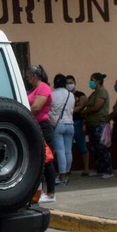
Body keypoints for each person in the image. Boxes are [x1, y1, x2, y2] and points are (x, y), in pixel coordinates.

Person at [26, 64, 56, 203]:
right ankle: (41, 191)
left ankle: (51, 193)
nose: (28, 79)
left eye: (29, 76)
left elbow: (36, 107)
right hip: (35, 126)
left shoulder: (43, 87)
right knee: (39, 159)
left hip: (42, 127)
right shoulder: (34, 89)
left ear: (35, 75)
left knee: (46, 159)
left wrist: (24, 115)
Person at [81, 72, 113, 178]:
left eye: (92, 80)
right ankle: (100, 169)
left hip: (99, 124)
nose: (90, 82)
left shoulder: (102, 92)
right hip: (92, 124)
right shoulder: (95, 93)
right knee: (95, 148)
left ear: (98, 81)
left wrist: (85, 112)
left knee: (102, 148)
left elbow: (96, 106)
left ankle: (108, 171)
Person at [49, 74, 75, 186]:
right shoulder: (71, 95)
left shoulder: (52, 95)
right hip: (70, 124)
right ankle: (67, 174)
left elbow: (48, 110)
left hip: (58, 125)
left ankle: (62, 176)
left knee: (60, 151)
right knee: (68, 151)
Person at [66, 75, 90, 175]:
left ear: (75, 83)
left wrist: (69, 112)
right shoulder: (65, 95)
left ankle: (86, 169)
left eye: (71, 82)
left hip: (78, 122)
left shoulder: (80, 95)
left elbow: (81, 106)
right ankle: (68, 169)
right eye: (67, 83)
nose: (69, 85)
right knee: (68, 148)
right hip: (67, 123)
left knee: (82, 146)